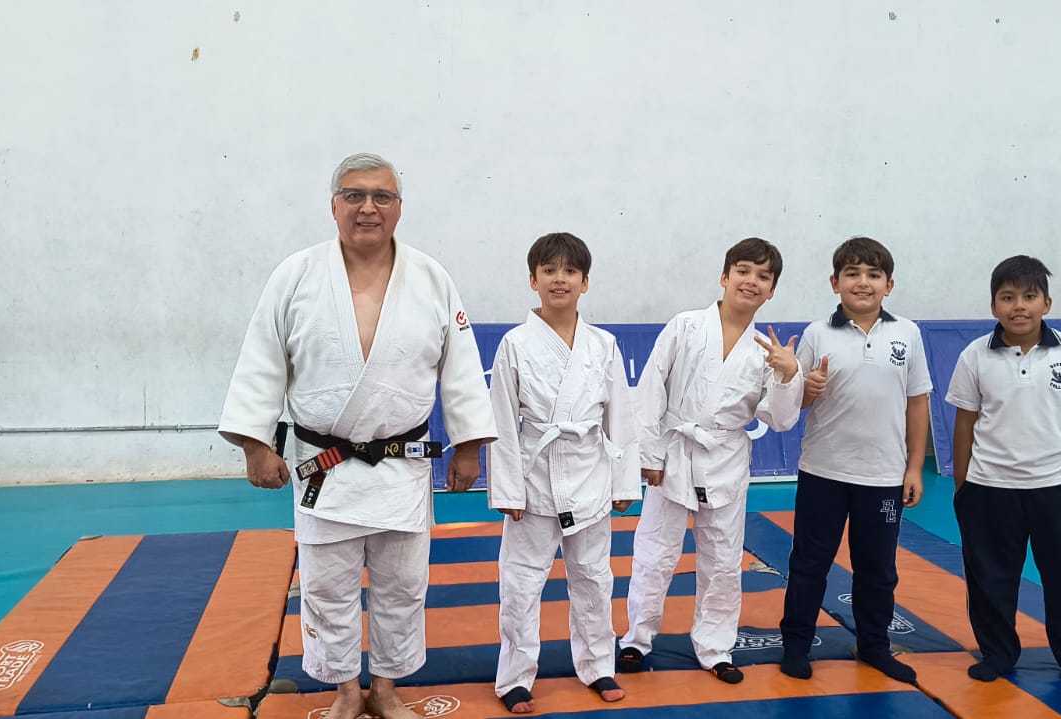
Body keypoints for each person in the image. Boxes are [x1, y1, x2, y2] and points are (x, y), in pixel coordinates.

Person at [217, 153, 497, 719]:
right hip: (324, 465)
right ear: (334, 206)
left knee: (402, 586)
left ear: (399, 208)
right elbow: (262, 361)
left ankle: (386, 688)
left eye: (381, 196)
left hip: (401, 464)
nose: (368, 207)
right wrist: (255, 443)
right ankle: (346, 690)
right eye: (354, 195)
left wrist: (468, 446)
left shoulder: (431, 278)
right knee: (327, 589)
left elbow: (462, 367)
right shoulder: (296, 276)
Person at [619, 237, 802, 685]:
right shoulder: (685, 326)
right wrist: (649, 454)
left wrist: (787, 373)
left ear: (772, 291)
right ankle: (637, 638)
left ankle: (716, 647)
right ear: (724, 276)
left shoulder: (769, 351)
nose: (751, 281)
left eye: (763, 276)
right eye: (743, 271)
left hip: (725, 459)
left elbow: (780, 420)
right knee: (655, 552)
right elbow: (650, 389)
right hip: (673, 452)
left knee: (722, 560)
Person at [945, 255, 1061, 696]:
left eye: (1029, 296)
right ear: (993, 306)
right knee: (990, 579)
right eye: (1007, 298)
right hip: (990, 488)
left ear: (1047, 303)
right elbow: (964, 424)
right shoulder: (974, 356)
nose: (1018, 306)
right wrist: (963, 487)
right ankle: (998, 653)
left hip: (1059, 487)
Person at [487, 232, 641, 713]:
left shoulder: (604, 344)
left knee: (594, 578)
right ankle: (514, 677)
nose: (560, 279)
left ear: (585, 282)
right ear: (533, 280)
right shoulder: (515, 344)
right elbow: (502, 421)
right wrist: (507, 489)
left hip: (591, 475)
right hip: (533, 479)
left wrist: (624, 480)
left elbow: (620, 417)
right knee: (520, 583)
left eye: (570, 271)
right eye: (549, 270)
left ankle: (598, 665)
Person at [778, 236, 930, 683]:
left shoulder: (907, 333)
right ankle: (796, 645)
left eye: (873, 275)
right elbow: (793, 400)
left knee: (878, 569)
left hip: (883, 475)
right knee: (809, 564)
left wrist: (914, 467)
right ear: (835, 282)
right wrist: (807, 389)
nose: (863, 282)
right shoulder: (816, 333)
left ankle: (874, 646)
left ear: (889, 285)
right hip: (823, 471)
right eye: (852, 273)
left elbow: (917, 401)